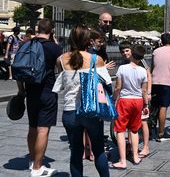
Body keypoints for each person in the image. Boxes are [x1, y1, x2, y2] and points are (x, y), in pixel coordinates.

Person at [53, 25, 110, 177]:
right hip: (91, 111)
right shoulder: (95, 59)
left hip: (70, 112)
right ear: (89, 41)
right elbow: (106, 83)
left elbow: (64, 83)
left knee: (76, 153)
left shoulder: (61, 60)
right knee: (98, 151)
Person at [24, 19, 62, 177]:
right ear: (51, 31)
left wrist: (21, 91)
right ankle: (38, 168)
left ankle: (33, 161)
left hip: (30, 90)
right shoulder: (54, 47)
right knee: (43, 129)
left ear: (37, 29)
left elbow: (20, 67)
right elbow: (61, 68)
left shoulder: (27, 44)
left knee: (32, 127)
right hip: (47, 91)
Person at [111, 45, 148, 169]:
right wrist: (146, 104)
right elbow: (144, 91)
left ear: (132, 54)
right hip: (138, 101)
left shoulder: (122, 68)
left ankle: (122, 160)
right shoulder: (143, 71)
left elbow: (118, 87)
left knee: (120, 130)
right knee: (134, 129)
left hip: (125, 101)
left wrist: (113, 99)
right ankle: (136, 156)